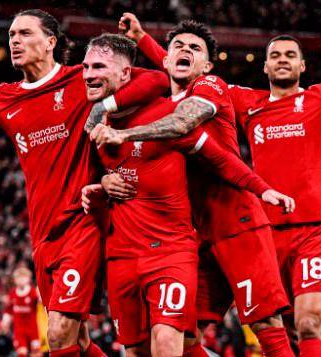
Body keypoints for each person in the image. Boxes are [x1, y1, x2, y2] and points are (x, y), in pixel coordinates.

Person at [98, 16, 321, 355]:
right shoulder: (248, 102)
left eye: (290, 55)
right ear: (264, 66)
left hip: (295, 224)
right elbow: (184, 70)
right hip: (221, 228)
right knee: (182, 334)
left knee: (301, 322)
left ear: (303, 65)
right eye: (275, 55)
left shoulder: (318, 98)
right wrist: (144, 38)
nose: (282, 60)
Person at [0, 9, 168, 356]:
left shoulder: (82, 80)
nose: (14, 41)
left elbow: (159, 80)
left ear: (50, 42)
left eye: (25, 34)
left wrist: (106, 105)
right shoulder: (1, 100)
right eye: (12, 35)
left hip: (83, 221)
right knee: (78, 340)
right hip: (43, 234)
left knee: (58, 333)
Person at [87, 17, 296, 357]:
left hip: (236, 224)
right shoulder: (163, 101)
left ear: (208, 65)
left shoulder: (211, 87)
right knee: (183, 338)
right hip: (192, 235)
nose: (185, 51)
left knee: (265, 325)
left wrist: (124, 133)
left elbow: (183, 123)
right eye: (178, 48)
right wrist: (104, 180)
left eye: (195, 49)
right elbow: (167, 72)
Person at [1, 267, 41, 357]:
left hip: (33, 329)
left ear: (28, 279)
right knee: (21, 352)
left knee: (36, 353)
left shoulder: (33, 292)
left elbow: (41, 303)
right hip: (19, 330)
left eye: (23, 277)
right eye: (18, 278)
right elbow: (8, 310)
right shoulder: (12, 294)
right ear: (15, 280)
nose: (21, 280)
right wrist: (5, 321)